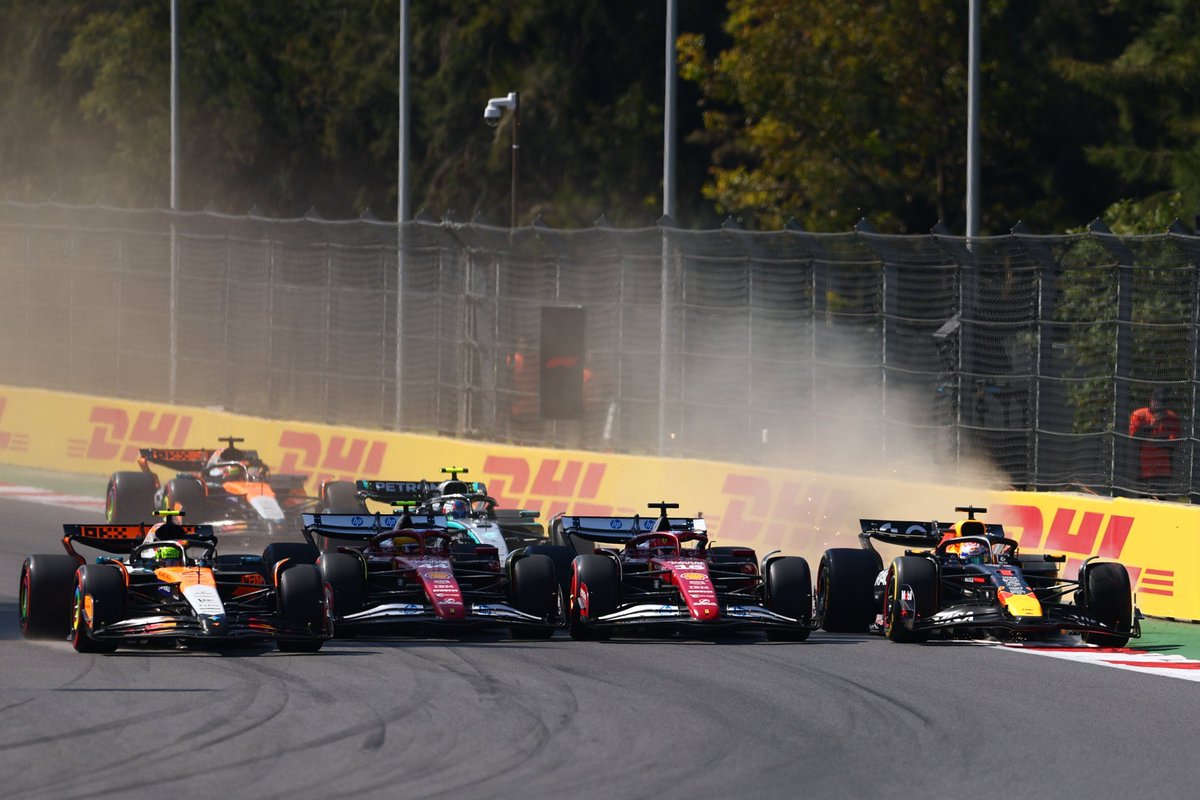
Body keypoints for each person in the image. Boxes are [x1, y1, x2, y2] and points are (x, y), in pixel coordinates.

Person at [1129, 388, 1181, 498]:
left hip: (1162, 469)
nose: (1159, 405)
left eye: (1163, 403)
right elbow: (1134, 438)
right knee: (1143, 499)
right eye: (1158, 401)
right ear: (1152, 400)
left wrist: (1159, 440)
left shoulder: (1171, 418)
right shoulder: (1139, 415)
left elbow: (1173, 444)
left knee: (1159, 499)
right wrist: (1152, 425)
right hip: (1143, 468)